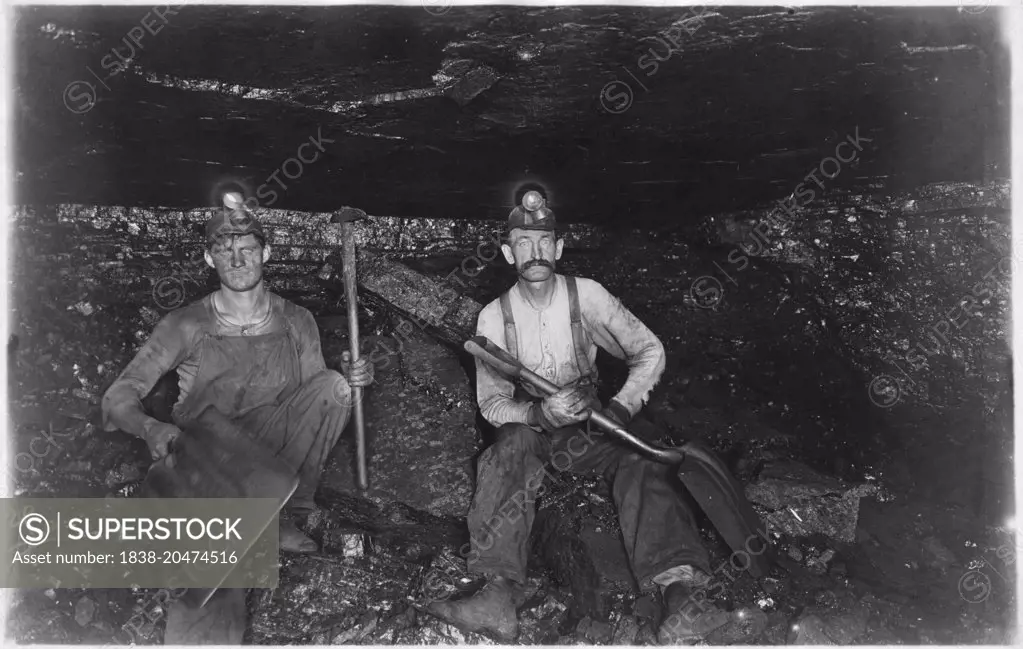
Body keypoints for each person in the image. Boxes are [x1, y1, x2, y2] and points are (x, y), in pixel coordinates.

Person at [426, 192, 750, 645]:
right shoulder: (493, 319)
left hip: (593, 425)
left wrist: (618, 409)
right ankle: (497, 595)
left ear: (558, 247)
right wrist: (539, 411)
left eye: (544, 242)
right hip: (535, 432)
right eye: (523, 242)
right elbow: (492, 404)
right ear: (507, 252)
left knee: (644, 455)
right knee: (508, 449)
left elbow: (649, 350)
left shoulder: (588, 296)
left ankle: (679, 597)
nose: (534, 252)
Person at [101, 197, 374, 642]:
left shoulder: (297, 321)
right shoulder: (186, 324)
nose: (237, 258)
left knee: (334, 388)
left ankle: (285, 510)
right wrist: (150, 427)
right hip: (211, 466)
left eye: (246, 247)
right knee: (217, 575)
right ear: (210, 258)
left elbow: (317, 398)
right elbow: (118, 397)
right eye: (225, 249)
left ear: (266, 252)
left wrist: (357, 378)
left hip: (272, 463)